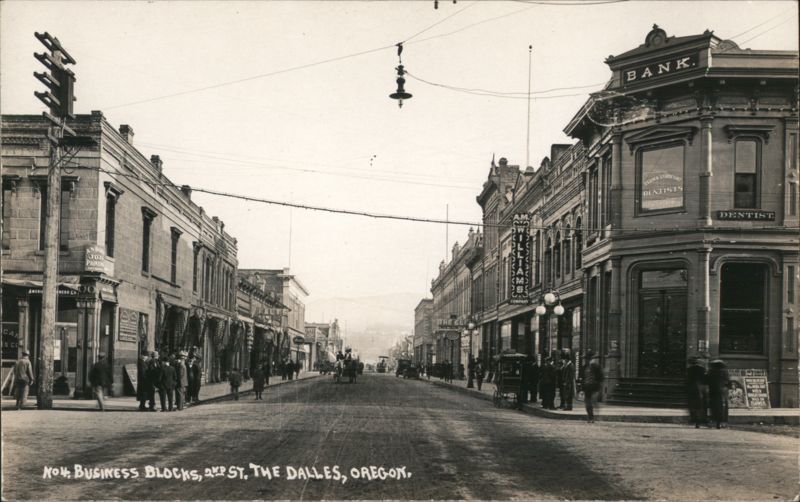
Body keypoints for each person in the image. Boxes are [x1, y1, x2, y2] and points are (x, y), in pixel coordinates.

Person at [707, 359, 730, 429]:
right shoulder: (725, 372)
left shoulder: (711, 371)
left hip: (713, 391)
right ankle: (720, 422)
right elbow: (728, 381)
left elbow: (707, 380)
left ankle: (714, 421)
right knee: (722, 407)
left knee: (714, 406)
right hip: (722, 391)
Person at [686, 356, 708, 428]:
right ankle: (700, 420)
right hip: (700, 388)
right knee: (700, 404)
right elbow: (705, 379)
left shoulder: (689, 369)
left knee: (692, 404)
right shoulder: (702, 369)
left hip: (691, 388)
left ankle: (694, 419)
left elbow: (687, 380)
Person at [583, 350, 604, 423]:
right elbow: (583, 377)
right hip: (587, 387)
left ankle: (592, 417)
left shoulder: (596, 367)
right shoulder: (585, 366)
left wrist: (598, 385)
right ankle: (590, 417)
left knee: (592, 402)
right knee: (587, 403)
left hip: (594, 387)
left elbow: (600, 377)